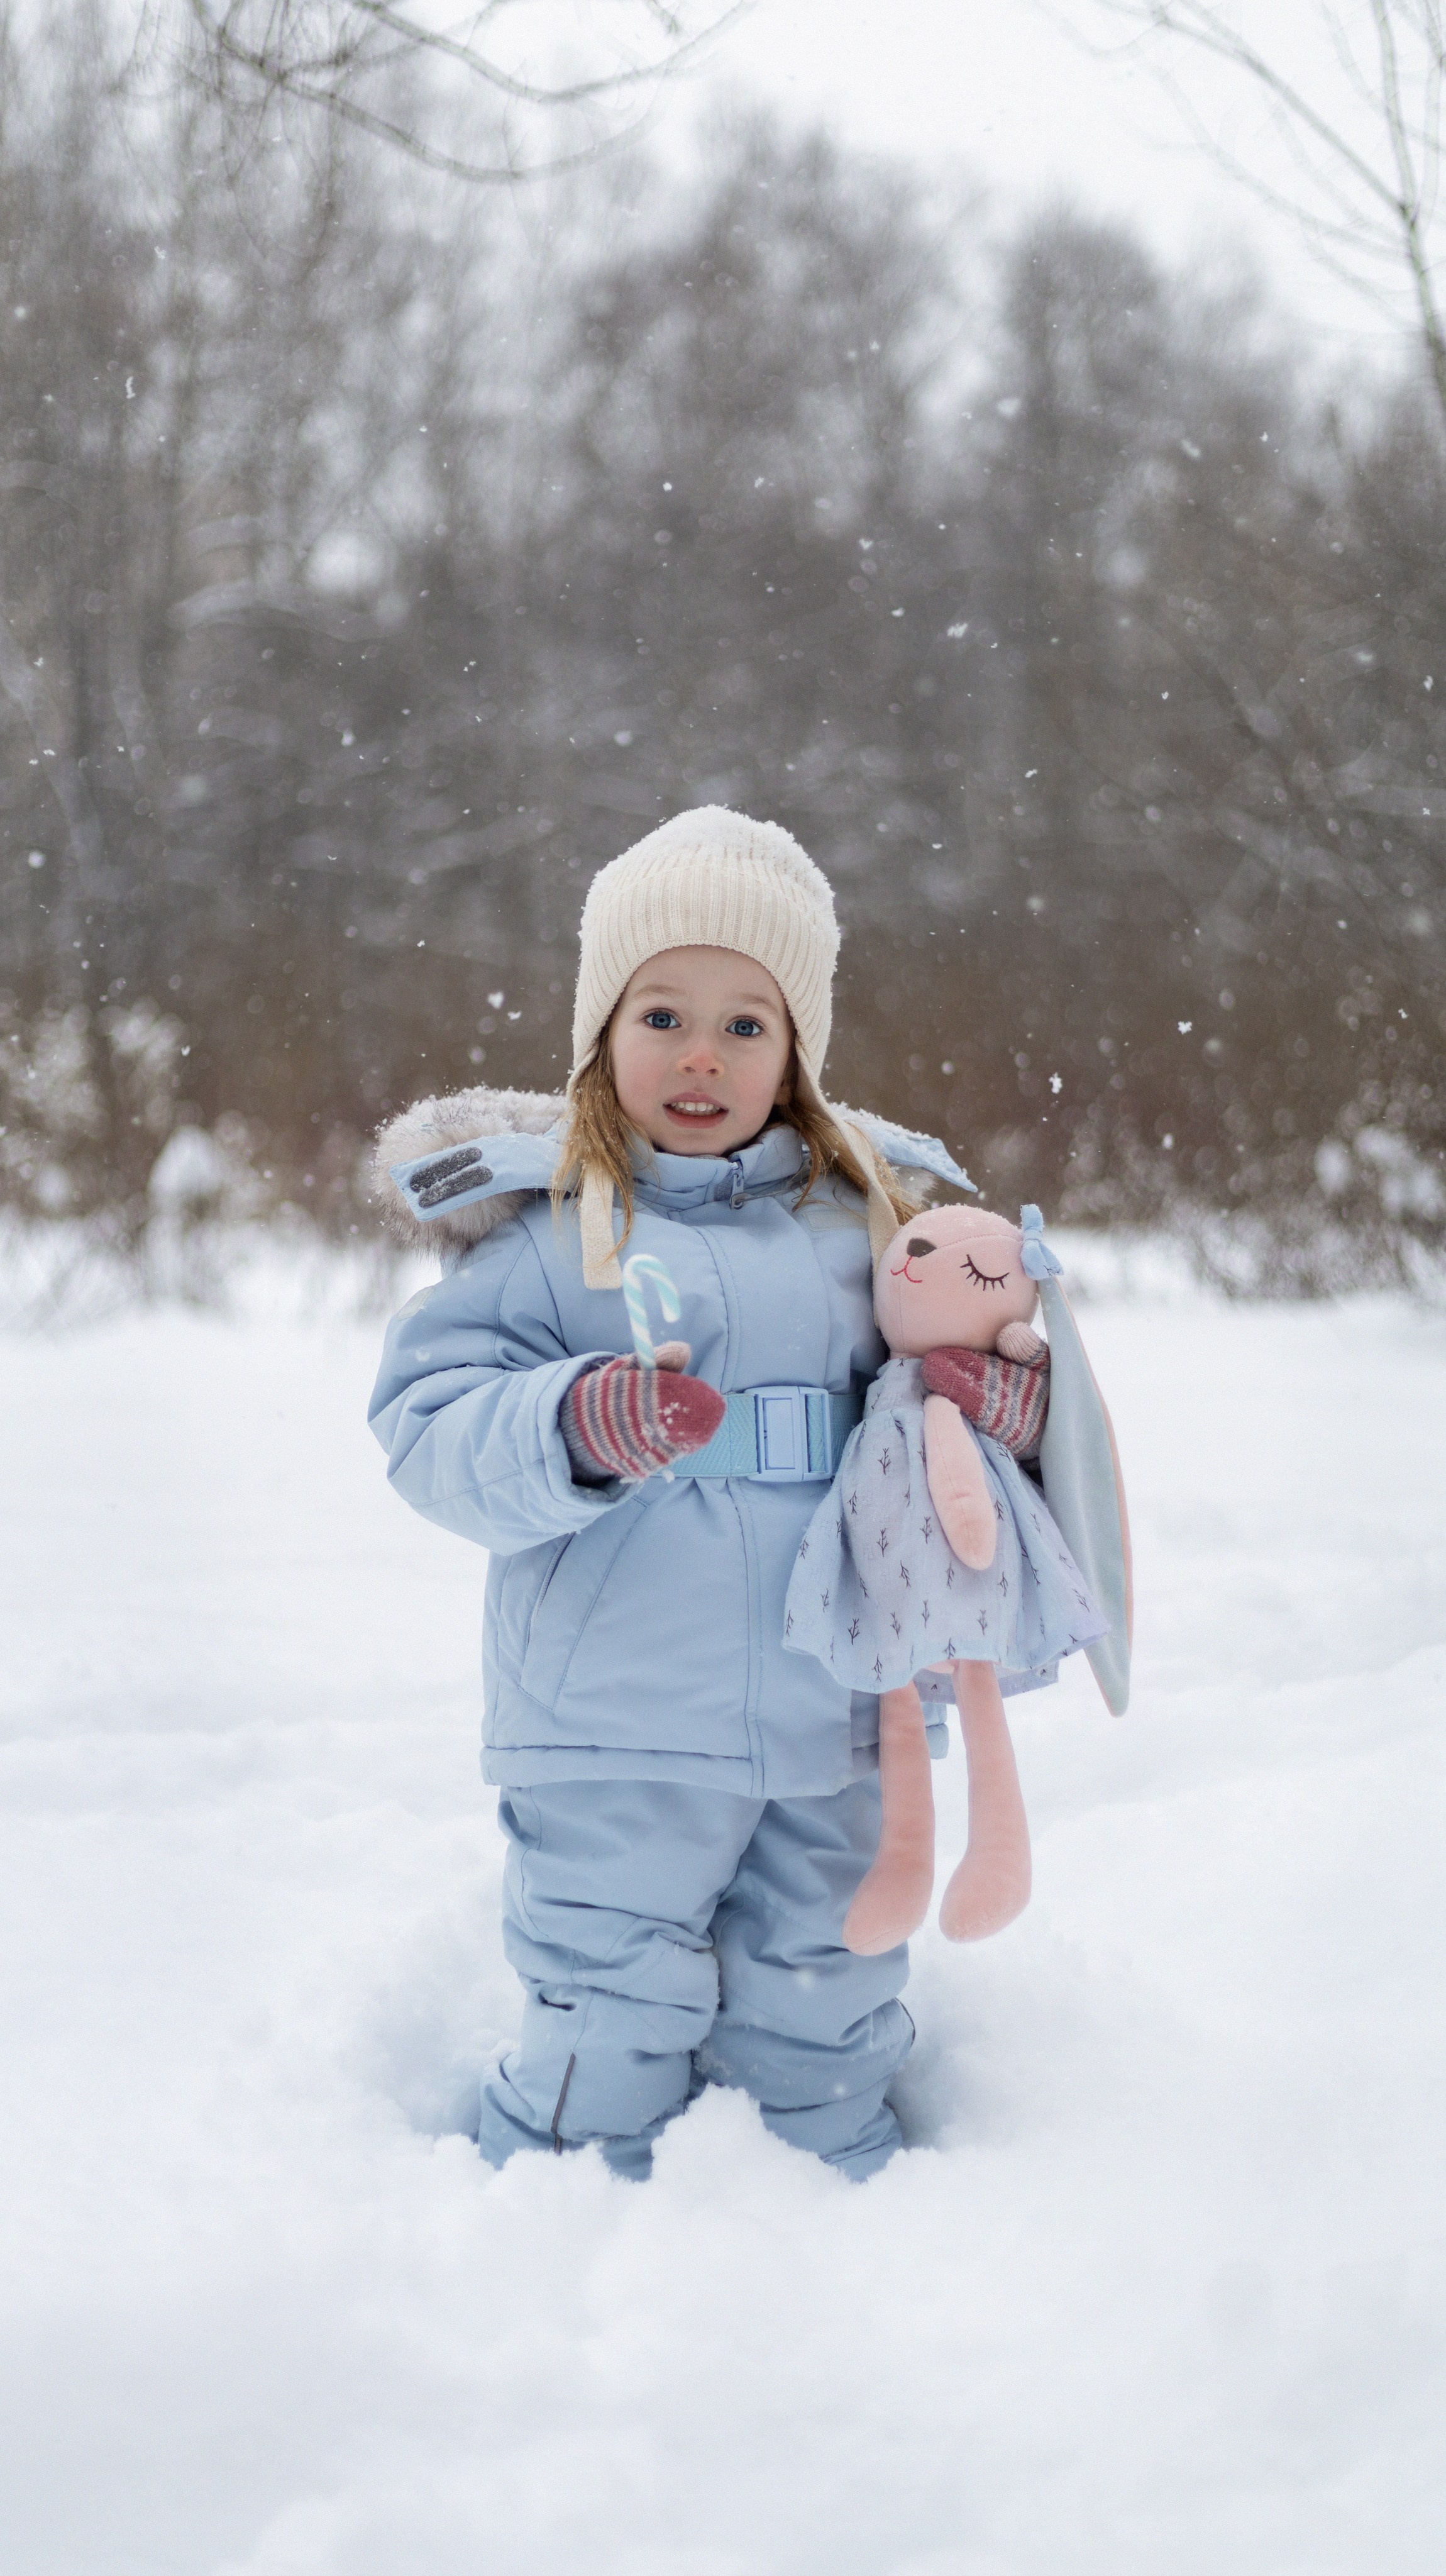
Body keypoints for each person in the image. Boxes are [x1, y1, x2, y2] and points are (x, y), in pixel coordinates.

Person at [368, 806, 980, 2180]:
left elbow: (948, 1390)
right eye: (662, 1012)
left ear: (798, 1055)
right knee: (610, 2005)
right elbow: (425, 1421)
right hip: (614, 1720)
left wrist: (987, 1405)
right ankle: (546, 2228)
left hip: (840, 1702)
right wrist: (573, 1421)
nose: (701, 1052)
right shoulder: (549, 1237)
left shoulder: (866, 1228)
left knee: (827, 1999)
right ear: (601, 1030)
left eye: (746, 1025)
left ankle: (851, 2242)